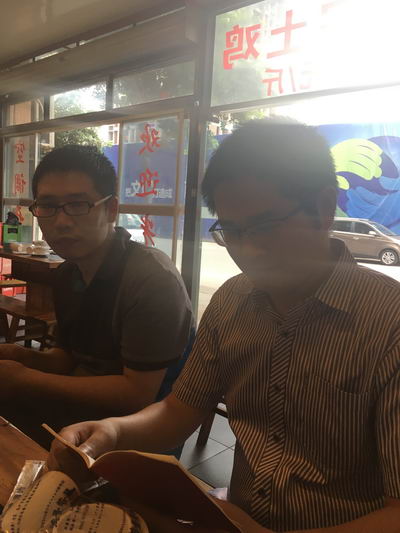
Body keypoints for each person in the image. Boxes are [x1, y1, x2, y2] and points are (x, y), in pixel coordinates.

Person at [49, 119, 400, 532]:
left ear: (324, 207)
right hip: (235, 519)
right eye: (231, 231)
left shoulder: (388, 324)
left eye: (265, 227)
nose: (248, 250)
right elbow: (180, 410)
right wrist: (111, 431)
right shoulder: (232, 301)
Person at [0, 145, 193, 450]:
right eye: (48, 206)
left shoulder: (151, 278)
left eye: (78, 204)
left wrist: (24, 378)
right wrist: (23, 357)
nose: (61, 221)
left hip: (136, 433)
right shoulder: (68, 273)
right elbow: (67, 358)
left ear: (111, 209)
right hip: (76, 410)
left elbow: (136, 394)